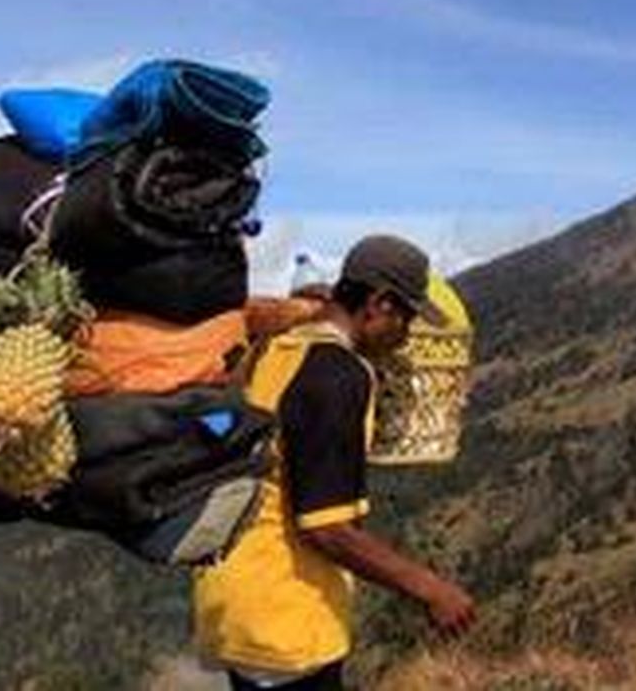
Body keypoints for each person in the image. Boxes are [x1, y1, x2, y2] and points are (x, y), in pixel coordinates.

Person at [194, 235, 476, 690]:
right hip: (286, 620)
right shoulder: (339, 375)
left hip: (237, 598)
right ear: (379, 305)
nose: (405, 336)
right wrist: (430, 588)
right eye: (405, 318)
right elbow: (326, 527)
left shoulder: (278, 348)